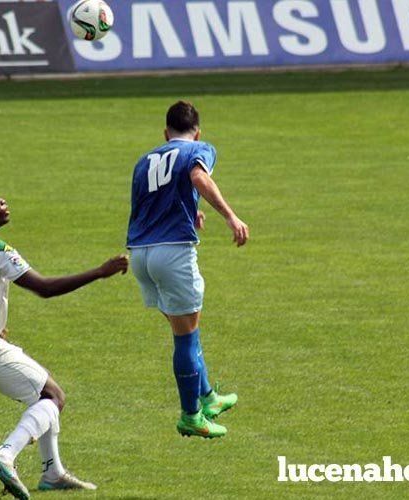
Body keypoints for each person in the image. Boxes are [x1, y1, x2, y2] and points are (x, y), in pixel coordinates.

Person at [0, 184, 129, 500]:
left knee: (43, 394)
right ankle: (5, 455)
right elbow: (44, 288)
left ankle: (52, 473)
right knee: (53, 397)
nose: (2, 200)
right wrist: (100, 272)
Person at [126, 101, 249, 439]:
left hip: (140, 254)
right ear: (197, 132)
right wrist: (230, 216)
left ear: (165, 133)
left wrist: (189, 211)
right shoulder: (199, 149)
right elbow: (197, 176)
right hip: (172, 253)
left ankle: (207, 397)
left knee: (184, 327)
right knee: (186, 335)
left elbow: (148, 204)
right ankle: (191, 416)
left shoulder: (144, 160)